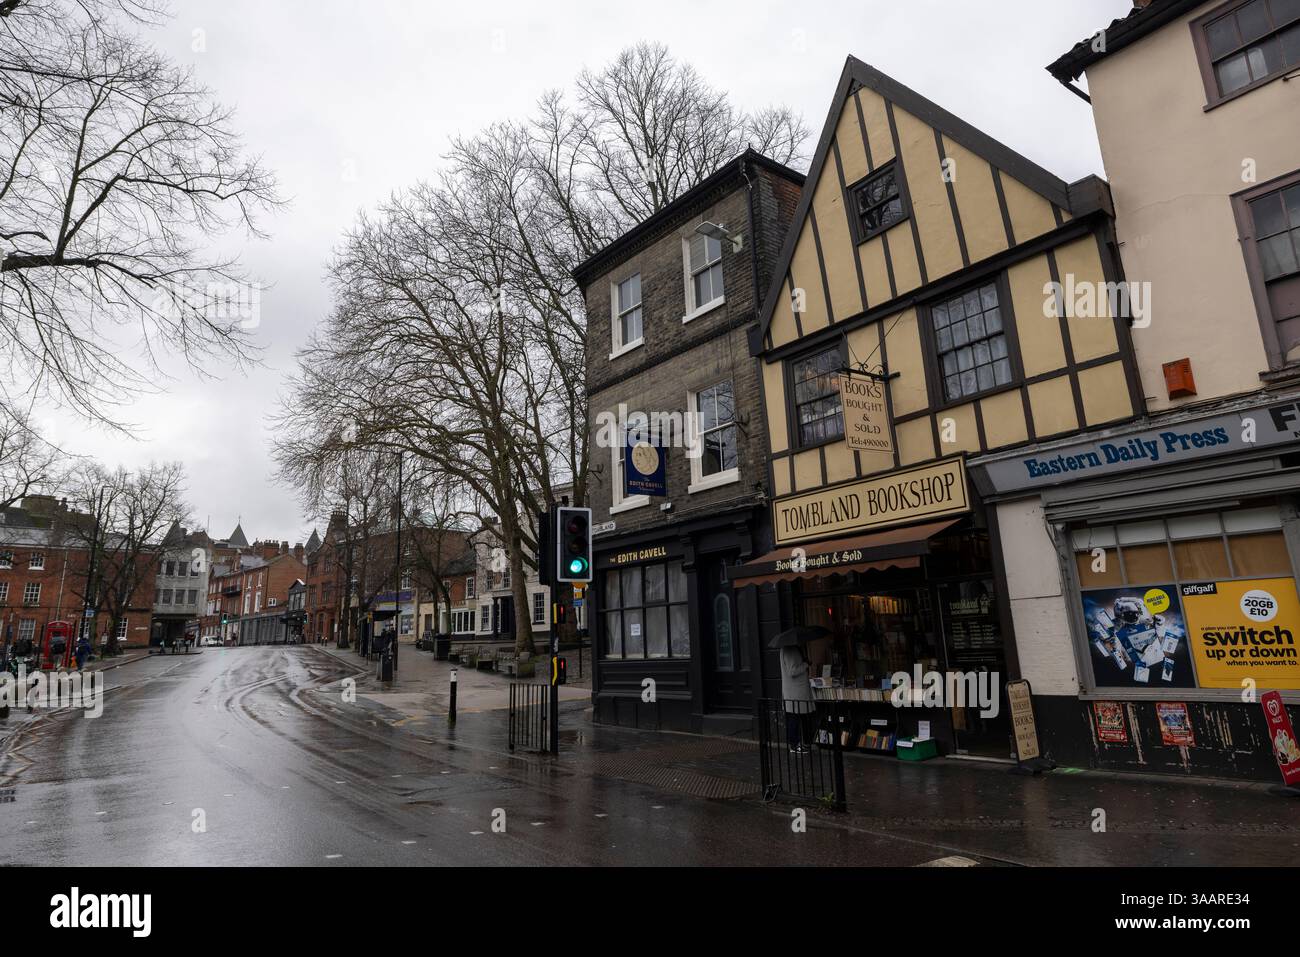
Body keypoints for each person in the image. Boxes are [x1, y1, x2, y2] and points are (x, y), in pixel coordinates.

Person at [780, 642, 816, 754]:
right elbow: (792, 671)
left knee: (800, 719)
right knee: (794, 719)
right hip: (795, 693)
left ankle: (803, 744)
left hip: (797, 692)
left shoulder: (791, 648)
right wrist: (805, 664)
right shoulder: (790, 649)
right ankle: (795, 745)